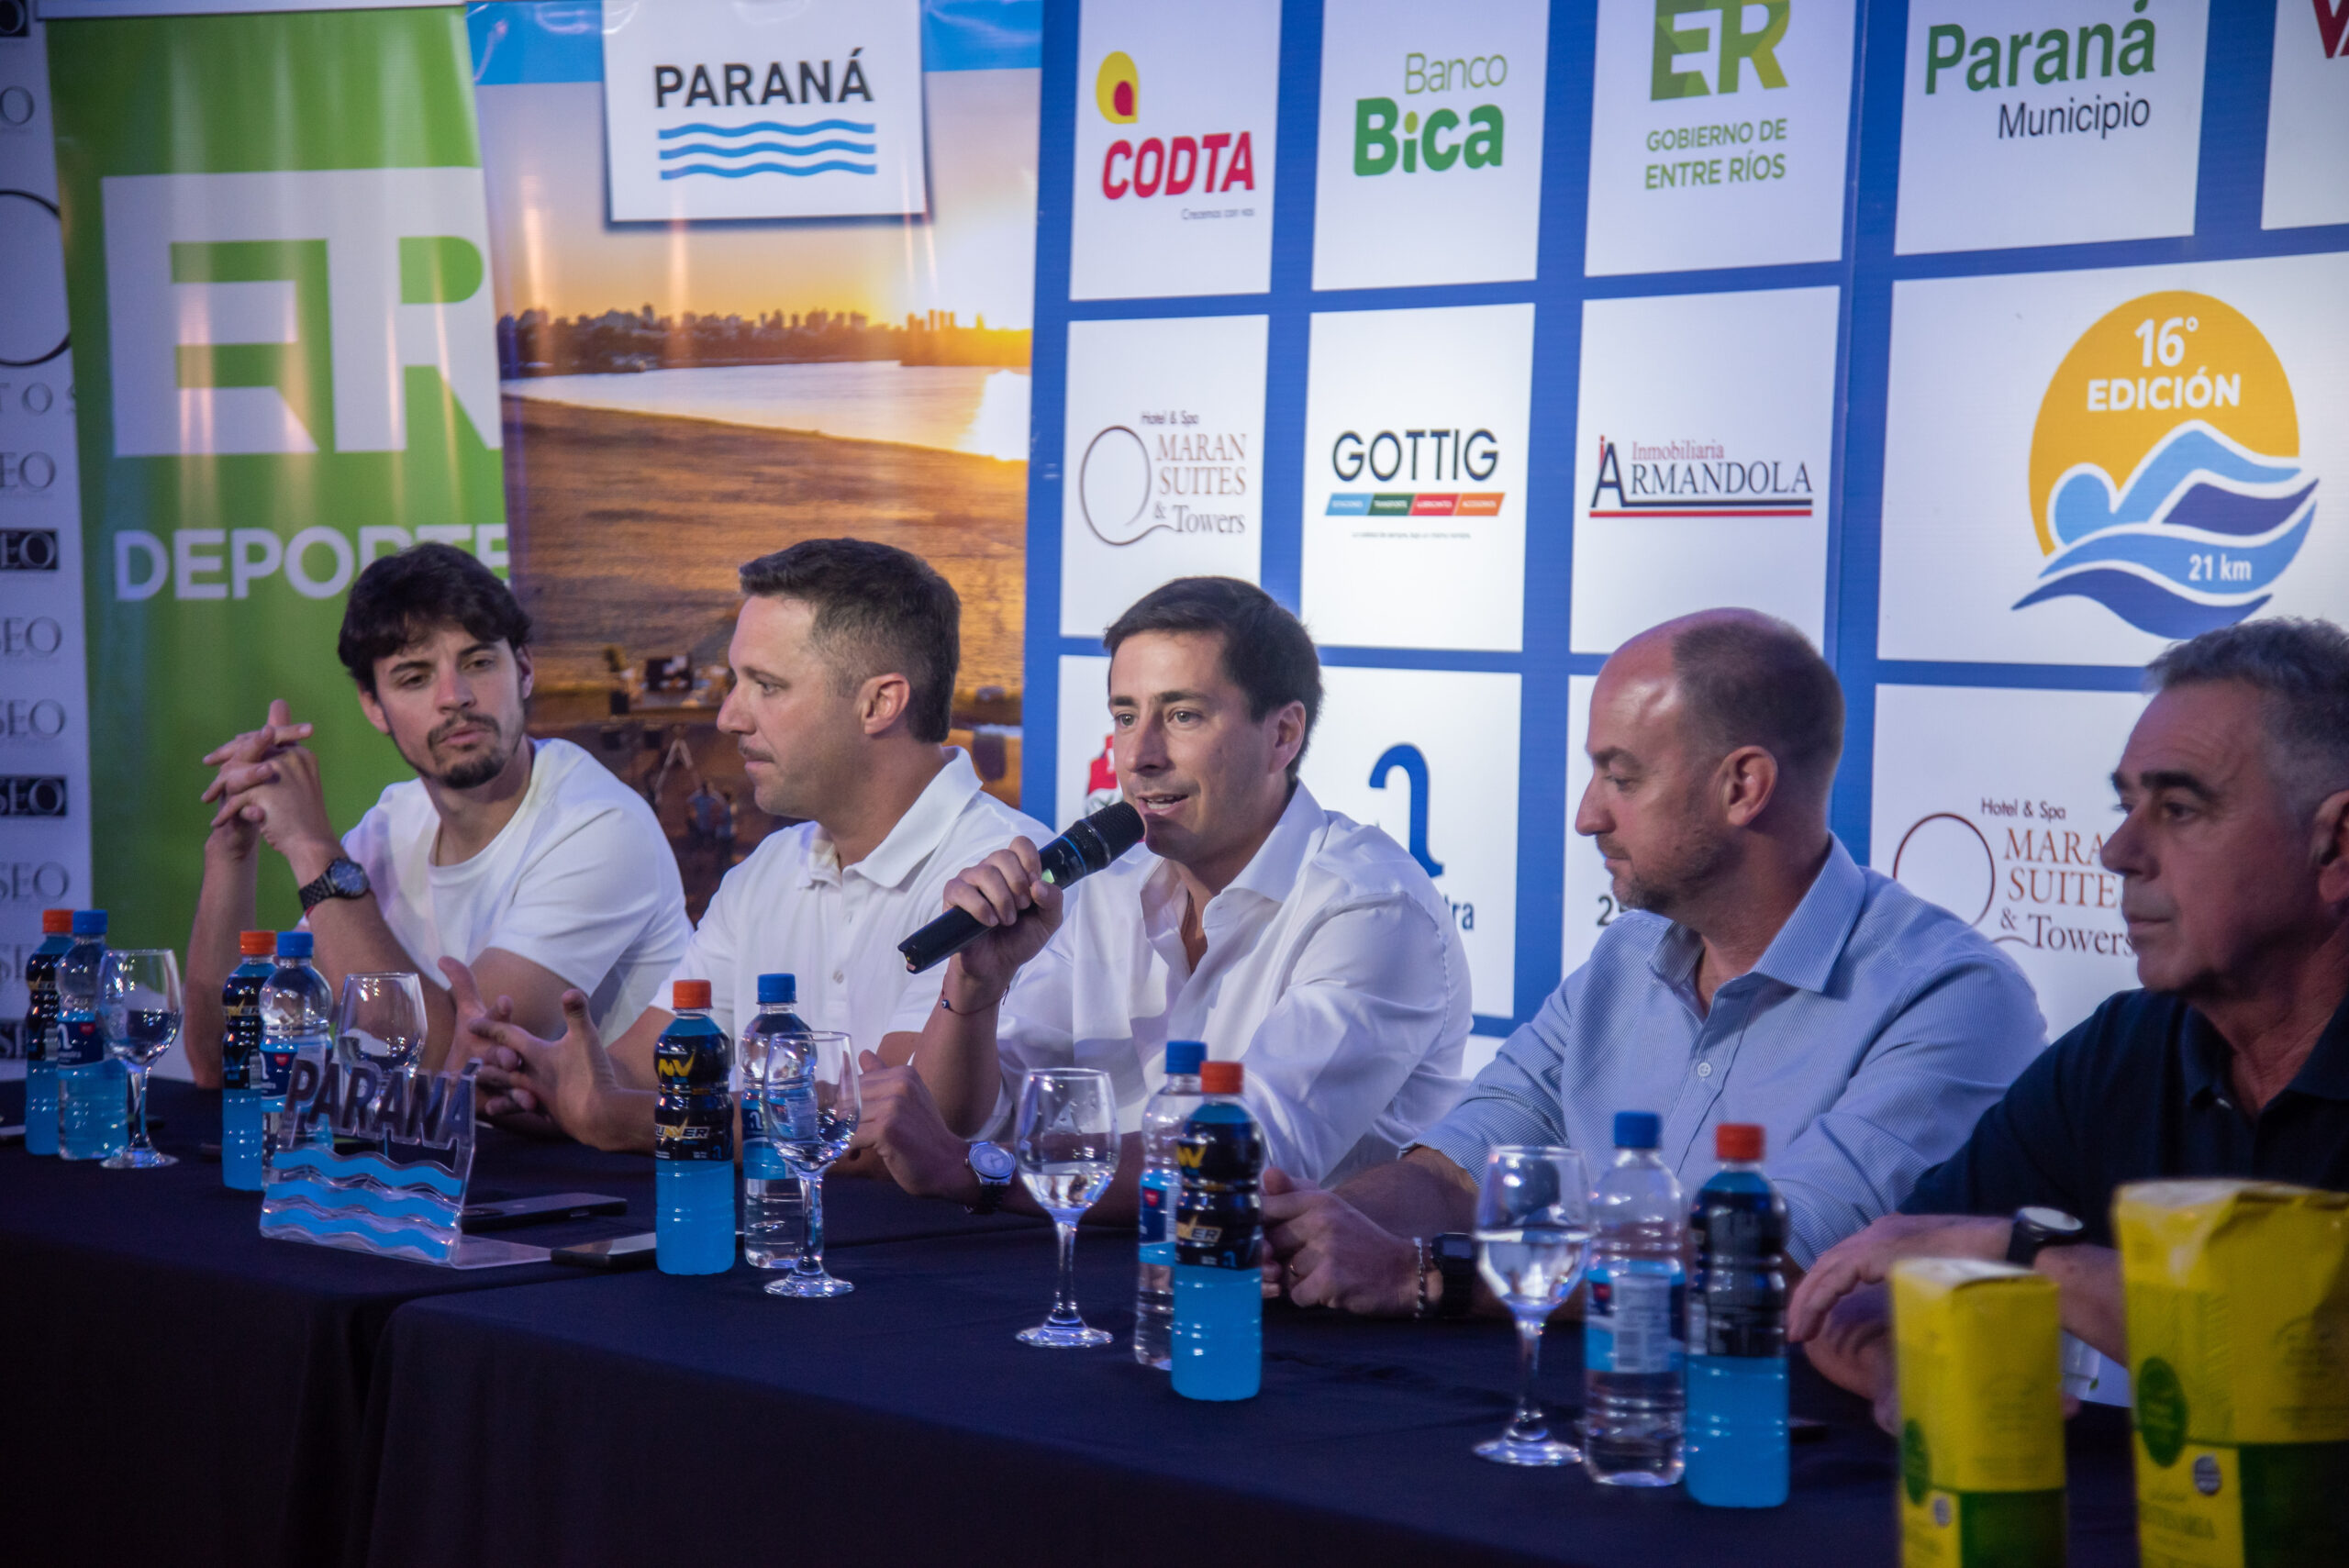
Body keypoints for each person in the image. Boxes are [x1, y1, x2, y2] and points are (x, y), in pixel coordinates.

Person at [1259, 609, 2048, 1317]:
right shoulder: (1627, 953)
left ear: (1743, 786)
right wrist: (1305, 1231)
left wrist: (1426, 1273)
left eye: (1621, 777)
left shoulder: (1952, 998)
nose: (1586, 815)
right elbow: (1457, 1174)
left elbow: (1769, 1265)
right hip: (1589, 1405)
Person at [1791, 617, 2349, 1412]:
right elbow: (1859, 1284)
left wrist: (2030, 1256)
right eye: (2126, 804)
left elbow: (2306, 1362)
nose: (2117, 851)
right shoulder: (2121, 1051)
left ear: (2336, 847)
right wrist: (1907, 1371)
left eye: (2179, 808)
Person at [846, 575, 1472, 1218]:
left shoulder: (1372, 908)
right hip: (1106, 1264)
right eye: (1125, 717)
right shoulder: (1109, 883)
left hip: (1282, 1278)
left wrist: (981, 1172)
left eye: (1182, 716)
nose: (1139, 756)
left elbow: (1237, 1157)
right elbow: (961, 1125)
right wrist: (975, 991)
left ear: (1283, 735)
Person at [451, 538, 1051, 1150]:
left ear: (879, 703)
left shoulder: (1010, 875)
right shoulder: (766, 871)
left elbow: (897, 1128)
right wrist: (543, 1080)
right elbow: (638, 1071)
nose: (728, 717)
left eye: (766, 685)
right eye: (737, 681)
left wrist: (630, 1119)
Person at [184, 542, 690, 1081]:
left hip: (640, 1138)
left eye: (478, 663)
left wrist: (310, 845)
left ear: (523, 670)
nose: (455, 696)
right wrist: (233, 845)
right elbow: (222, 1060)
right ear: (374, 706)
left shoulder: (599, 825)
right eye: (415, 678)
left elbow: (451, 1067)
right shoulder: (392, 824)